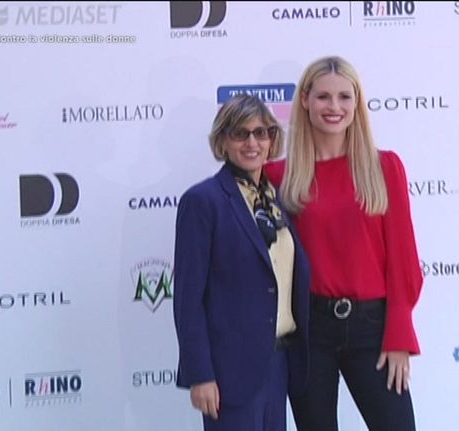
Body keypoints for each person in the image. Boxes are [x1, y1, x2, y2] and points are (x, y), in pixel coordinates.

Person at [264, 56, 423, 431]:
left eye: (344, 97)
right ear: (305, 100)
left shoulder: (384, 168)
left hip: (373, 328)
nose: (333, 107)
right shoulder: (278, 176)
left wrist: (399, 335)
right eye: (323, 96)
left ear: (357, 103)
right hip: (309, 330)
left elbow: (404, 260)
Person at [173, 94, 311, 431]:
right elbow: (188, 300)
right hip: (229, 372)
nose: (252, 143)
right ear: (223, 141)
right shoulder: (202, 201)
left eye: (261, 133)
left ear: (272, 139)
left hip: (279, 364)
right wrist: (200, 375)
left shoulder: (278, 198)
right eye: (240, 133)